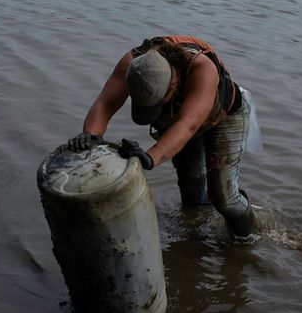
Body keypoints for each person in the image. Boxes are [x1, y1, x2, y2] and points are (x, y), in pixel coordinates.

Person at [68, 35, 258, 238]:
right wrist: (90, 136)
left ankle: (248, 237)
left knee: (225, 199)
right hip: (181, 120)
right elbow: (105, 104)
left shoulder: (201, 68)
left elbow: (187, 126)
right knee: (191, 190)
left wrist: (149, 158)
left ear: (173, 83)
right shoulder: (134, 64)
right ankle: (197, 241)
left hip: (224, 116)